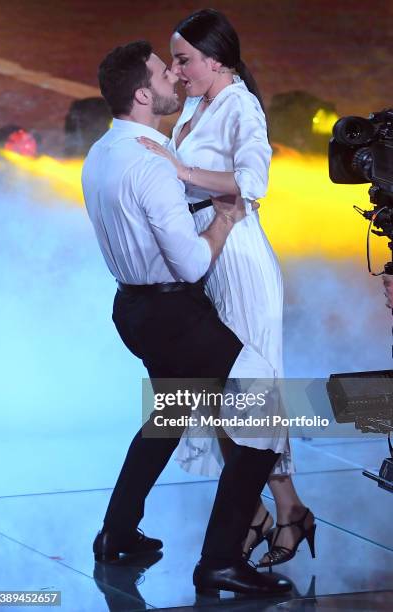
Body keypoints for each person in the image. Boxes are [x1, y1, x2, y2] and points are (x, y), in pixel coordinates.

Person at [82, 41, 290, 597]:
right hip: (172, 311)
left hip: (133, 307)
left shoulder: (101, 152)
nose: (174, 76)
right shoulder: (150, 165)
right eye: (162, 72)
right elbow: (194, 261)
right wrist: (224, 220)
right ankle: (220, 560)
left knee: (170, 413)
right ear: (144, 93)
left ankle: (116, 534)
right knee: (264, 413)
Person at [137, 8, 315, 568]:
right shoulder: (197, 104)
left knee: (253, 396)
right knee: (218, 391)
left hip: (239, 262)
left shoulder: (242, 106)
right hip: (206, 261)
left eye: (185, 59)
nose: (177, 68)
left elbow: (253, 182)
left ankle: (280, 510)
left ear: (217, 59)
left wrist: (180, 170)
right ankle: (274, 510)